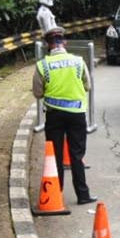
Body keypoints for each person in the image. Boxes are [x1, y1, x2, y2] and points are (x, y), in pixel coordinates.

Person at [31, 27, 93, 204]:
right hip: (77, 115)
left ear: (48, 45)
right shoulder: (78, 61)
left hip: (54, 116)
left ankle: (56, 194)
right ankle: (83, 195)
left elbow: (37, 92)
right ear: (64, 42)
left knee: (55, 155)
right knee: (77, 156)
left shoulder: (42, 65)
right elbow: (87, 85)